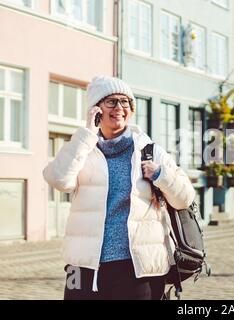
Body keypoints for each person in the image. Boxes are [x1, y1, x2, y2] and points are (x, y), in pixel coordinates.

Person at [43, 76, 196, 300]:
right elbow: (58, 179)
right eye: (111, 102)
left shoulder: (149, 151)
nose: (119, 108)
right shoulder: (83, 149)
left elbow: (185, 198)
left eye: (125, 102)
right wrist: (86, 133)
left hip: (137, 266)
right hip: (85, 266)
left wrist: (161, 175)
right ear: (96, 109)